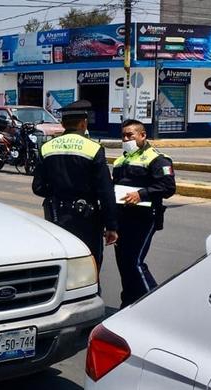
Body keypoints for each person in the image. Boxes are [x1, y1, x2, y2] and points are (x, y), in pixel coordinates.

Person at [32, 99, 118, 272]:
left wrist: (58, 192)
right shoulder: (93, 148)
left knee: (61, 262)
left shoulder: (46, 147)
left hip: (55, 215)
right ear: (83, 123)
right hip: (86, 219)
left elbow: (38, 187)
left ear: (63, 124)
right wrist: (111, 226)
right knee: (88, 265)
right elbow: (105, 191)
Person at [112, 119, 176, 308]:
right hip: (122, 217)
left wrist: (141, 194)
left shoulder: (157, 159)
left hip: (144, 217)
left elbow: (168, 186)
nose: (126, 139)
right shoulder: (121, 159)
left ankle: (155, 305)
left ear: (142, 135)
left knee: (134, 262)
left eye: (130, 135)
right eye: (123, 135)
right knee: (124, 265)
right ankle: (129, 304)